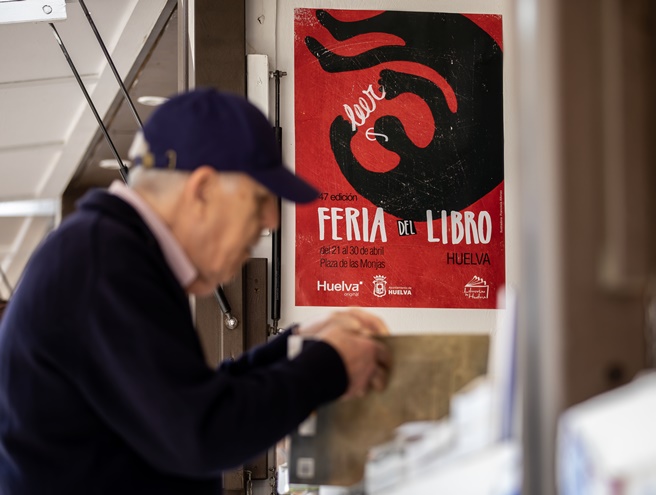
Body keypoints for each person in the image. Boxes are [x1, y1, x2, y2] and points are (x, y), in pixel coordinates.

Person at [0, 88, 392, 495]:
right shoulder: (104, 263)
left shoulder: (105, 252)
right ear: (203, 189)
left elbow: (182, 400)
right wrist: (330, 364)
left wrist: (300, 347)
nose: (272, 221)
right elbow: (200, 432)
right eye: (260, 199)